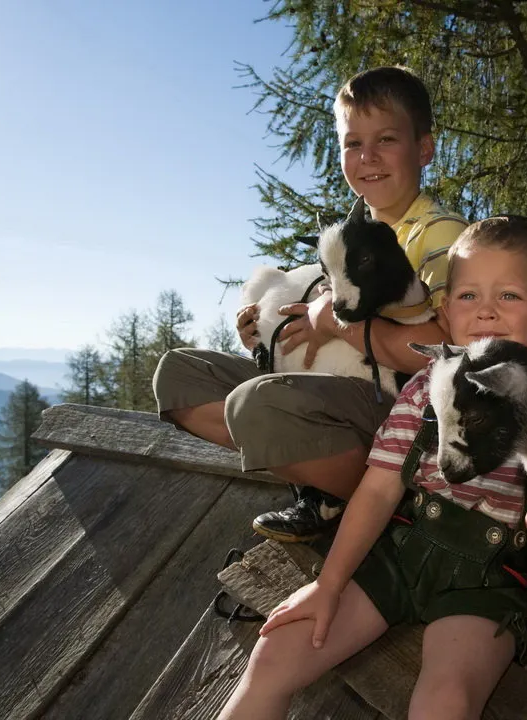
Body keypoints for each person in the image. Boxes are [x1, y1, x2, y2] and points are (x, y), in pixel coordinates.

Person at [218, 215, 527, 720]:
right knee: (273, 654)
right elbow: (380, 488)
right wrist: (330, 583)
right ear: (446, 309)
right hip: (401, 553)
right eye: (469, 296)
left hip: (489, 583)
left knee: (446, 701)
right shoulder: (426, 383)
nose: (487, 311)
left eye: (510, 297)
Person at [153, 66, 468, 542]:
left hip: (399, 410)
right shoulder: (351, 230)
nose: (367, 157)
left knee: (254, 407)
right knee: (178, 376)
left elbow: (453, 351)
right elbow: (318, 315)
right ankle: (326, 488)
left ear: (423, 148)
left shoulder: (441, 236)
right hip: (332, 392)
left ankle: (385, 501)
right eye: (352, 143)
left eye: (385, 139)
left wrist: (337, 326)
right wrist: (267, 335)